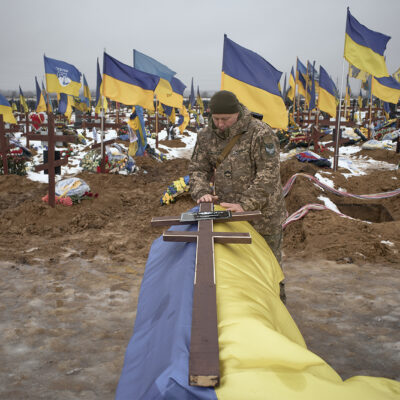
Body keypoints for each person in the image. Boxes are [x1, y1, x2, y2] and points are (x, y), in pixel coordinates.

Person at [188, 90, 287, 302]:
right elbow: (197, 169)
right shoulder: (206, 136)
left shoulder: (260, 133)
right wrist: (202, 192)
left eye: (226, 119)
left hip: (263, 217)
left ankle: (276, 312)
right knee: (236, 269)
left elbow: (269, 174)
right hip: (228, 217)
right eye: (216, 119)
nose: (221, 124)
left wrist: (245, 204)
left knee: (269, 268)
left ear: (237, 114)